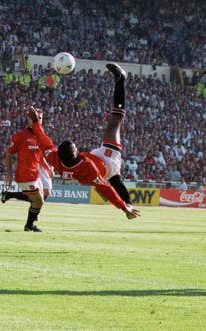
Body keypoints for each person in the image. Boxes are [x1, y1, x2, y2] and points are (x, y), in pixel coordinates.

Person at [27, 63, 140, 220]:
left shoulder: (55, 158)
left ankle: (128, 202)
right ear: (76, 154)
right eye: (76, 148)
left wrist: (36, 123)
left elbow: (43, 140)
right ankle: (121, 79)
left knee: (115, 178)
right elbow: (105, 187)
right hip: (108, 162)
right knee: (116, 120)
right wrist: (121, 206)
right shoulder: (88, 166)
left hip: (97, 160)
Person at [1, 108, 54, 232]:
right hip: (25, 175)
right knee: (38, 201)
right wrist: (9, 173)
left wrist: (48, 169)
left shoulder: (41, 137)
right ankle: (29, 225)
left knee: (41, 197)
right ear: (29, 119)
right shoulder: (20, 136)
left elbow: (40, 157)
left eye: (40, 118)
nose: (38, 120)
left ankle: (10, 197)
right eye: (35, 118)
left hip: (36, 174)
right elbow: (9, 154)